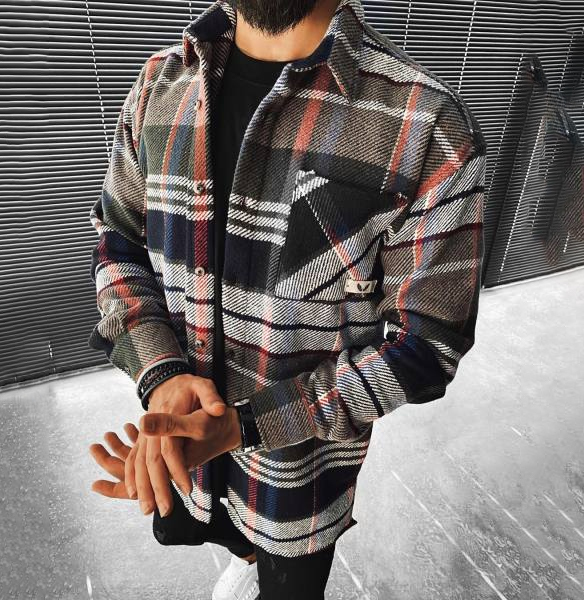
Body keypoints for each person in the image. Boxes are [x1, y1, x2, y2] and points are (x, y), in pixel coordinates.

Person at [87, 0, 487, 597]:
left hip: (297, 486)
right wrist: (161, 374)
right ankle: (241, 551)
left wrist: (247, 424)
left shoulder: (427, 126)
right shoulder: (160, 84)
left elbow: (427, 346)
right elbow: (120, 240)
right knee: (212, 533)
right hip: (182, 459)